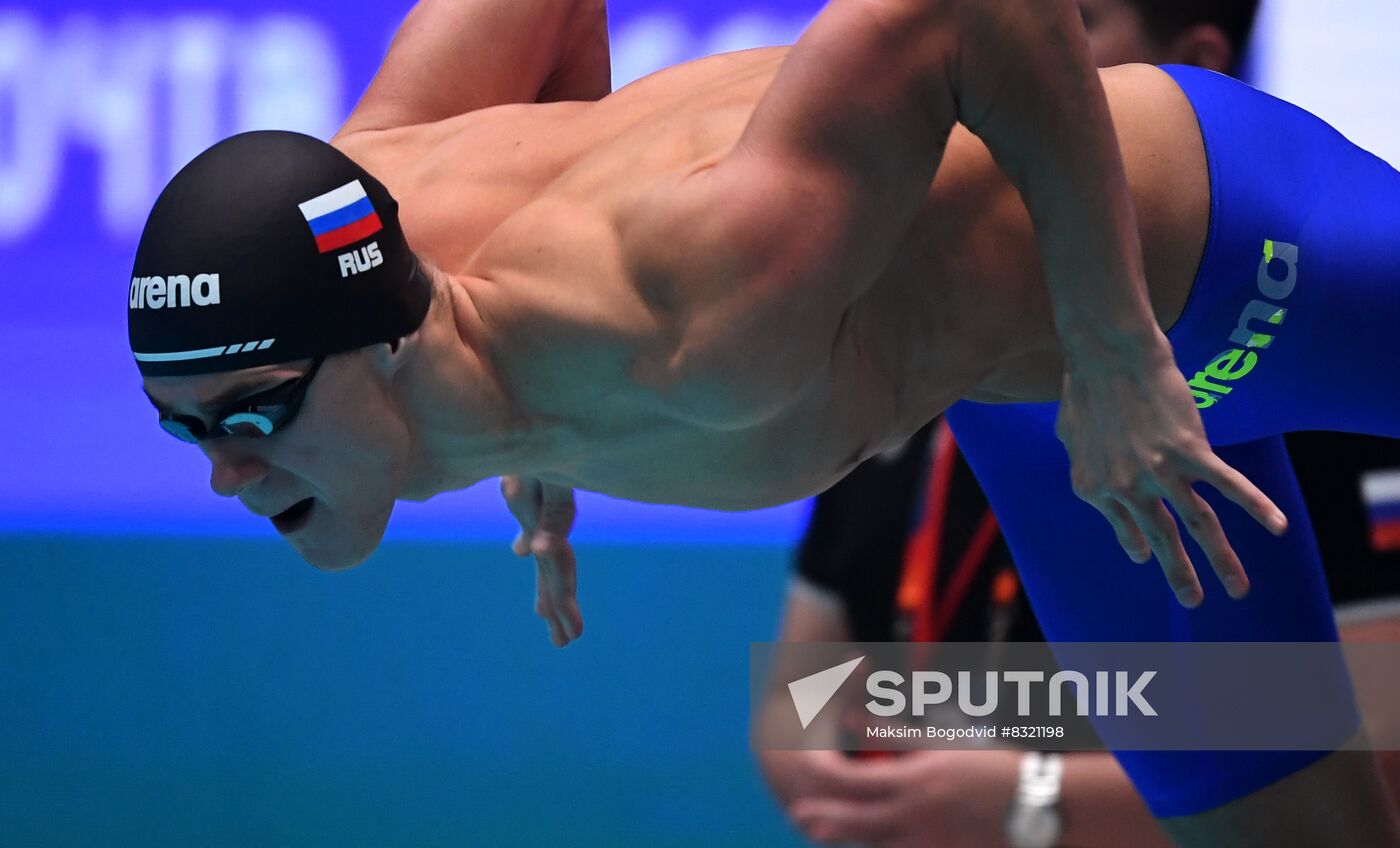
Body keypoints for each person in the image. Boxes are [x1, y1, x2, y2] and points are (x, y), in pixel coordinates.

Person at [128, 0, 1400, 844]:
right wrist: (532, 436)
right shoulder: (365, 205)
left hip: (1211, 250)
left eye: (254, 413)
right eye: (187, 430)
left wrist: (1113, 343)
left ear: (388, 341)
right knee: (1281, 824)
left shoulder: (696, 292)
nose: (228, 474)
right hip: (1038, 415)